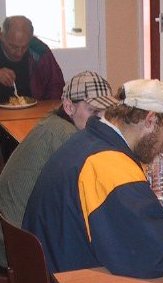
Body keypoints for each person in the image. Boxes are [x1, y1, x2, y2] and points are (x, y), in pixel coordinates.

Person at [22, 79, 163, 278]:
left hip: (58, 265)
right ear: (150, 120)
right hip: (71, 273)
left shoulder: (87, 142)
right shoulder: (108, 164)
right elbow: (162, 252)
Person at [0, 70, 118, 268]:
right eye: (93, 111)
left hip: (11, 235)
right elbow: (104, 182)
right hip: (21, 248)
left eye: (106, 111)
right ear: (69, 106)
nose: (102, 119)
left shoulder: (53, 123)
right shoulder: (66, 136)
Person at [0, 15, 64, 103]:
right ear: (2, 36)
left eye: (24, 47)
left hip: (34, 110)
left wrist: (46, 111)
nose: (19, 53)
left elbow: (56, 86)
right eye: (13, 47)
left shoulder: (40, 51)